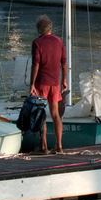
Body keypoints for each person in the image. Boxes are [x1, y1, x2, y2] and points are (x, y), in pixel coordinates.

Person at [29, 15, 67, 154]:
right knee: (56, 114)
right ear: (50, 28)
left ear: (39, 29)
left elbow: (36, 65)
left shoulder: (37, 43)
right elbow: (63, 63)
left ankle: (44, 146)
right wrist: (64, 80)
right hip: (55, 83)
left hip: (42, 82)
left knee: (41, 113)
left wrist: (32, 84)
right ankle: (59, 146)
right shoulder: (59, 41)